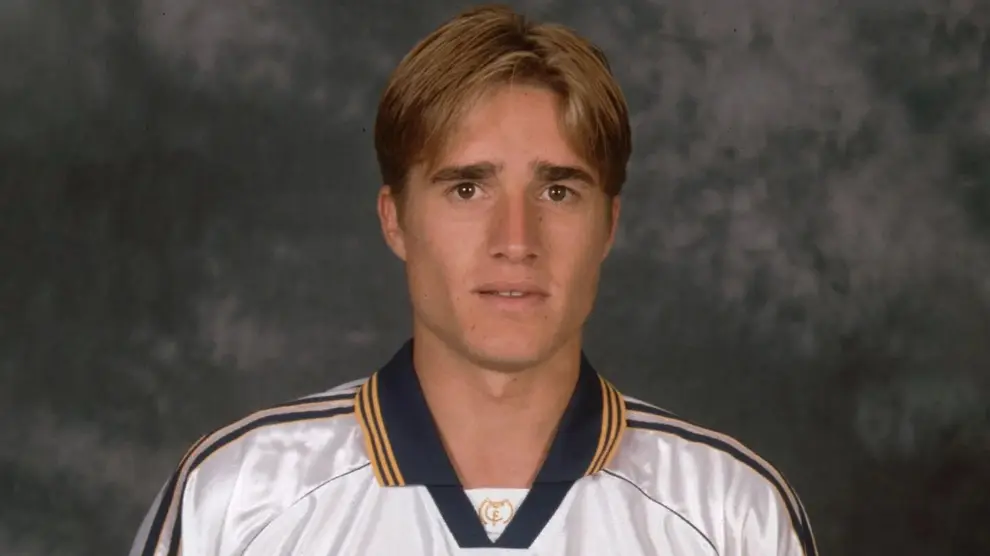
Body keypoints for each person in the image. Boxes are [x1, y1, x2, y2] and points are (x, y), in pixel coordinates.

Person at [130, 4, 817, 555]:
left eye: (558, 193)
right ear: (394, 220)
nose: (514, 241)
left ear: (609, 226)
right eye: (467, 190)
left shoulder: (730, 516)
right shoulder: (238, 500)